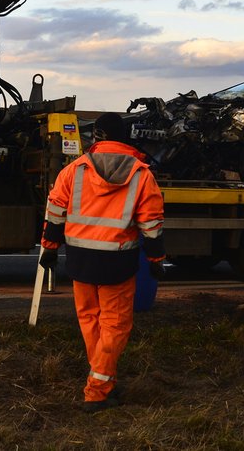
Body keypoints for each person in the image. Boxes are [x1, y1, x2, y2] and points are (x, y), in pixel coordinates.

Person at [39, 112, 166, 413]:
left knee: (90, 320)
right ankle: (97, 389)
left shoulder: (75, 169)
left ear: (97, 136)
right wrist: (156, 258)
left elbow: (55, 209)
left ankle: (102, 377)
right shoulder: (141, 174)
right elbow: (151, 222)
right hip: (118, 262)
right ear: (124, 137)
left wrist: (50, 247)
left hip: (81, 259)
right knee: (115, 324)